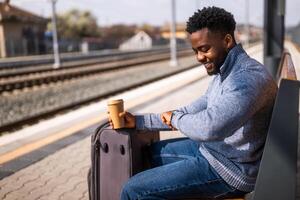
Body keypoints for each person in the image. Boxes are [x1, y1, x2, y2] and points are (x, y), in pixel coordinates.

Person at [109, 6, 278, 200]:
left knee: (133, 190)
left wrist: (177, 118)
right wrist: (140, 122)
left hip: (230, 170)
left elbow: (209, 128)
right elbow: (197, 106)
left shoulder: (246, 79)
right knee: (148, 154)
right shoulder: (226, 71)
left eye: (204, 49)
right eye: (195, 51)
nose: (199, 57)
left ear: (227, 40)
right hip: (213, 151)